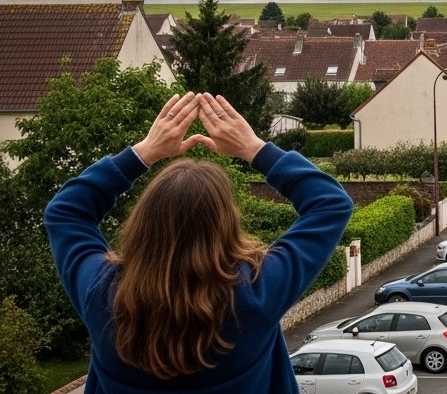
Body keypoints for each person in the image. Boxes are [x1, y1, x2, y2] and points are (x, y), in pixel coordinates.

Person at [44, 92, 354, 393]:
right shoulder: (256, 295)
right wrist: (254, 149)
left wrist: (143, 153)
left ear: (142, 224)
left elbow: (65, 212)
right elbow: (330, 203)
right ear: (226, 226)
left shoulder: (101, 295)